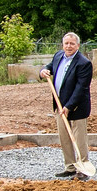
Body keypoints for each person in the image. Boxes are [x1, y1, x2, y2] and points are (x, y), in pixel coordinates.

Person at [40, 32, 93, 180]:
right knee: (64, 138)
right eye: (66, 43)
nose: (68, 46)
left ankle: (82, 168)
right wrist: (43, 71)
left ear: (78, 45)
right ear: (62, 45)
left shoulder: (84, 63)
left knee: (79, 139)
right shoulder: (58, 56)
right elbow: (49, 67)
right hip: (59, 105)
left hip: (76, 108)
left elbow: (81, 88)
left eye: (72, 44)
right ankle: (69, 166)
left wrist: (69, 106)